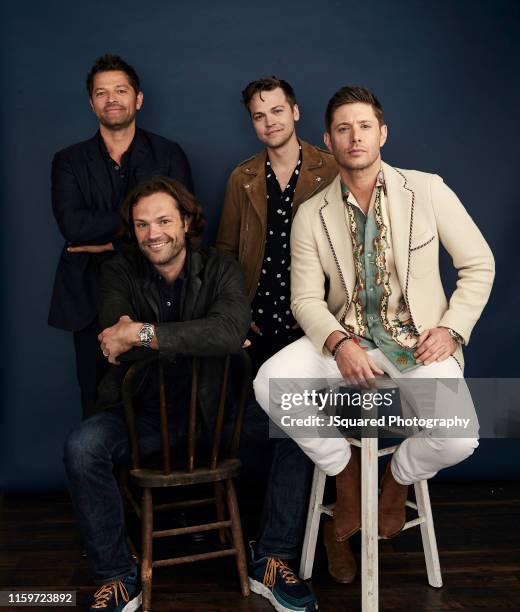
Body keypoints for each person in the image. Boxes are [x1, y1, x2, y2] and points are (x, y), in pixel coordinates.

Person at [254, 85, 494, 573]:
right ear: (329, 138)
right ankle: (344, 471)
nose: (354, 136)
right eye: (343, 128)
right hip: (347, 341)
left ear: (382, 133)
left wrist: (452, 328)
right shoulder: (311, 214)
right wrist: (338, 342)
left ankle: (396, 478)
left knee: (459, 437)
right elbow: (303, 299)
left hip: (417, 344)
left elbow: (478, 264)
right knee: (268, 381)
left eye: (364, 126)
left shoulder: (427, 189)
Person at [63, 176, 250, 612]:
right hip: (139, 415)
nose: (154, 233)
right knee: (81, 447)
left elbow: (229, 330)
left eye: (164, 220)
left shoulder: (221, 267)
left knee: (298, 425)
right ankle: (116, 577)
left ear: (186, 221)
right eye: (142, 224)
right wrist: (201, 338)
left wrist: (144, 334)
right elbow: (114, 343)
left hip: (210, 413)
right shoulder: (119, 271)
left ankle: (272, 555)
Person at [216, 77, 344, 612]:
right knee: (251, 435)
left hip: (313, 326)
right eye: (259, 115)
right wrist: (235, 317)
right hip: (258, 327)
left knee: (296, 435)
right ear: (253, 123)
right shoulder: (242, 177)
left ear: (294, 111)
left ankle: (286, 552)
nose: (270, 121)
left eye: (277, 110)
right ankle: (263, 543)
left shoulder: (330, 168)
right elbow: (224, 253)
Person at [49, 54, 193, 418]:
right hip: (88, 298)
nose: (111, 99)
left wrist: (111, 240)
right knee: (98, 403)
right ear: (91, 103)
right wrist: (144, 225)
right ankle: (103, 475)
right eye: (102, 92)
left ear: (138, 99)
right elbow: (74, 227)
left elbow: (183, 227)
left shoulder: (169, 154)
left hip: (159, 292)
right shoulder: (68, 161)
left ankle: (157, 475)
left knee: (162, 403)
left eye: (120, 90)